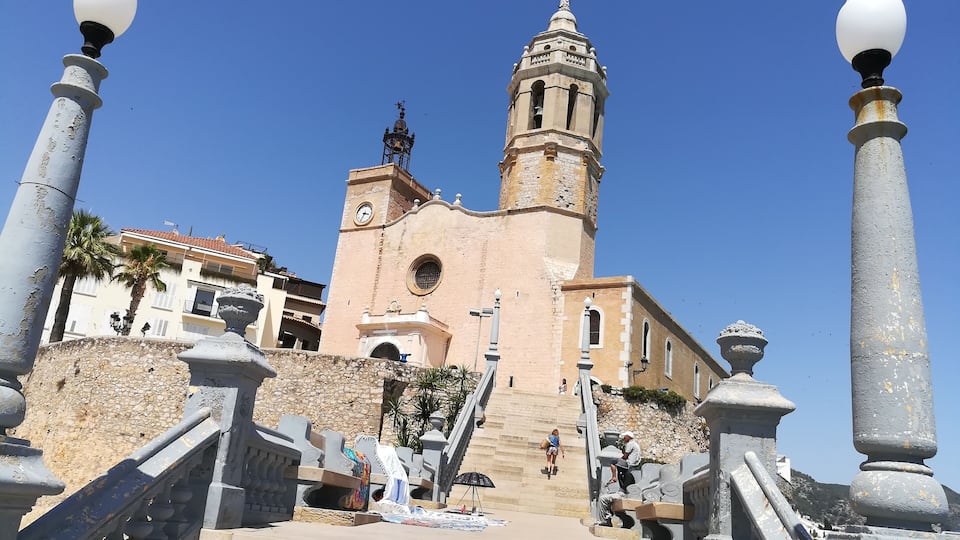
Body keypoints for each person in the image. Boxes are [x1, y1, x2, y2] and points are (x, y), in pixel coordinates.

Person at [595, 431, 642, 527]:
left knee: (612, 462)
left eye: (625, 437)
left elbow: (625, 456)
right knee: (606, 497)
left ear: (629, 437)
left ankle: (604, 520)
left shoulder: (630, 444)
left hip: (628, 464)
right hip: (629, 465)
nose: (624, 439)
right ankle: (606, 519)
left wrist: (620, 461)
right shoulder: (634, 445)